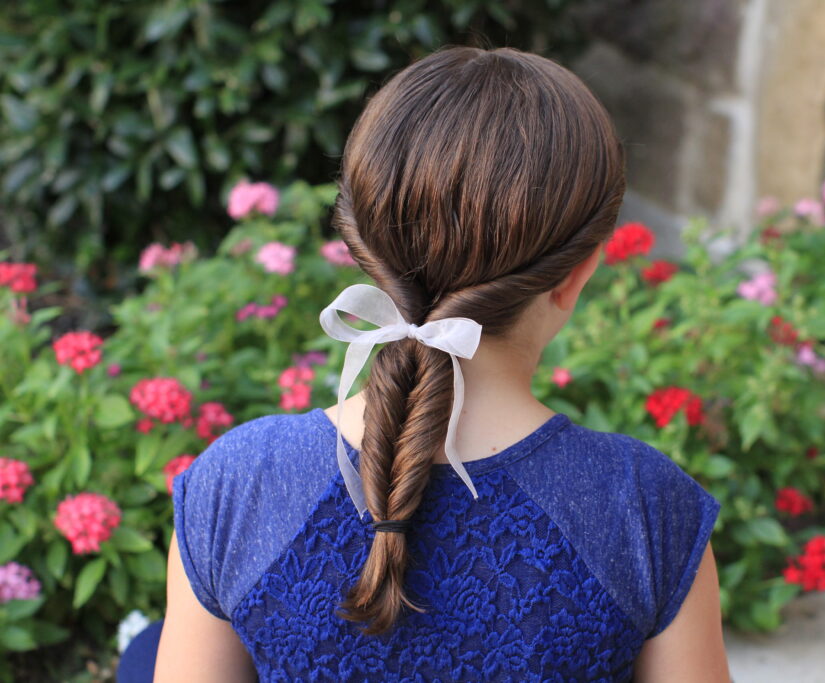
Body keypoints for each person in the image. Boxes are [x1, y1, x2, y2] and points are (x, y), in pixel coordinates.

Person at [119, 44, 730, 682]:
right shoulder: (644, 506)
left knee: (147, 654)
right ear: (577, 274)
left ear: (362, 244)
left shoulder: (236, 485)